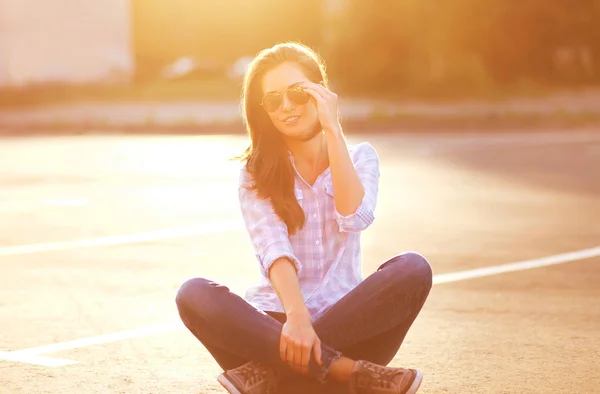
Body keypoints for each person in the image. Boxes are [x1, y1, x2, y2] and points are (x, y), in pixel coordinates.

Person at [175, 42, 433, 394]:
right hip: (274, 326)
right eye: (273, 100)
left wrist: (332, 129)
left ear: (321, 93)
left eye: (297, 93)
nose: (286, 107)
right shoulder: (256, 172)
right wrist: (296, 318)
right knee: (194, 294)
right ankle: (347, 373)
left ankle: (271, 373)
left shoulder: (361, 157)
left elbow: (355, 216)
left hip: (349, 326)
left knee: (413, 269)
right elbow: (273, 248)